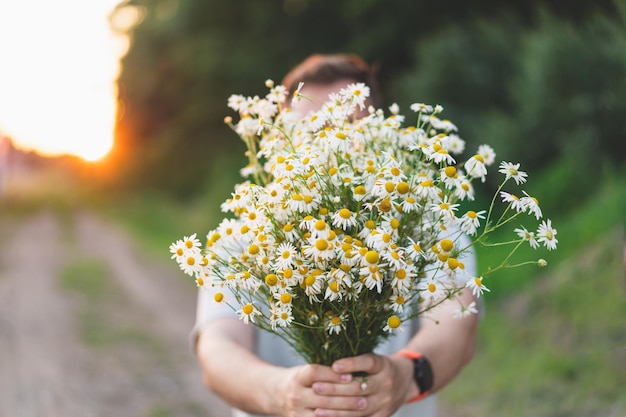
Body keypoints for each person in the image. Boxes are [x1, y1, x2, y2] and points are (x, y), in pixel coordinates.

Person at [191, 53, 479, 417]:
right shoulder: (242, 235)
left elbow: (457, 317)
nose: (328, 145)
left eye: (344, 127)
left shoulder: (427, 223)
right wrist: (280, 392)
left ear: (379, 135)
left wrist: (407, 374)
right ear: (281, 142)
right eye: (310, 133)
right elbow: (218, 347)